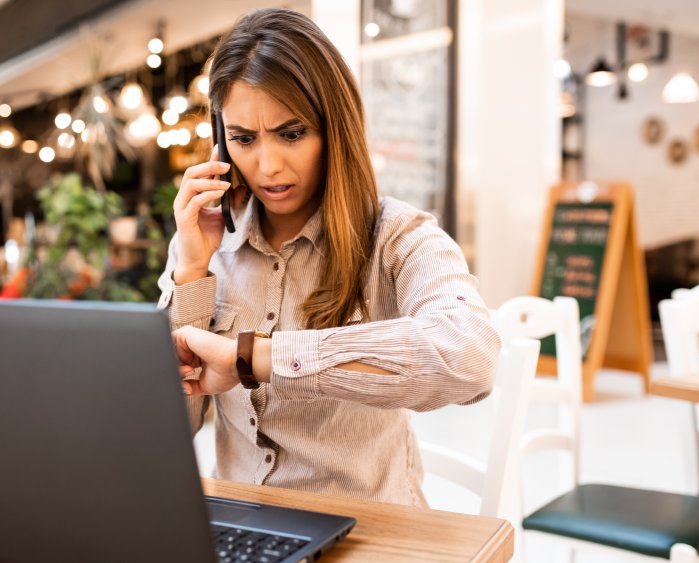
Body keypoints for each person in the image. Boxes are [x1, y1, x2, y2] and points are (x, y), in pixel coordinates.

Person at [157, 8, 500, 509]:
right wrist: (190, 272)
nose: (267, 166)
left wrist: (256, 358)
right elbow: (169, 428)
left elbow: (471, 357)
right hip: (242, 530)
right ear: (219, 140)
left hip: (368, 533)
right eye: (244, 139)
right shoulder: (205, 244)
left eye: (291, 133)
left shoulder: (396, 236)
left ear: (333, 128)